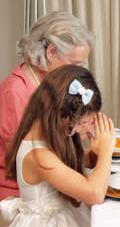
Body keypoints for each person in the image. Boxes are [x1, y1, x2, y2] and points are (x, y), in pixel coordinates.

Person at [0, 65, 114, 226]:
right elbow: (95, 194)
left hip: (66, 213)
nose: (83, 129)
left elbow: (85, 159)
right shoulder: (38, 156)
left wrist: (97, 152)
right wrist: (106, 152)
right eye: (82, 123)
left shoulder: (54, 133)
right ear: (61, 116)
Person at [0, 11, 95, 199]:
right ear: (51, 52)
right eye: (74, 63)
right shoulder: (14, 91)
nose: (79, 70)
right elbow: (27, 159)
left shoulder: (54, 84)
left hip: (52, 178)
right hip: (21, 194)